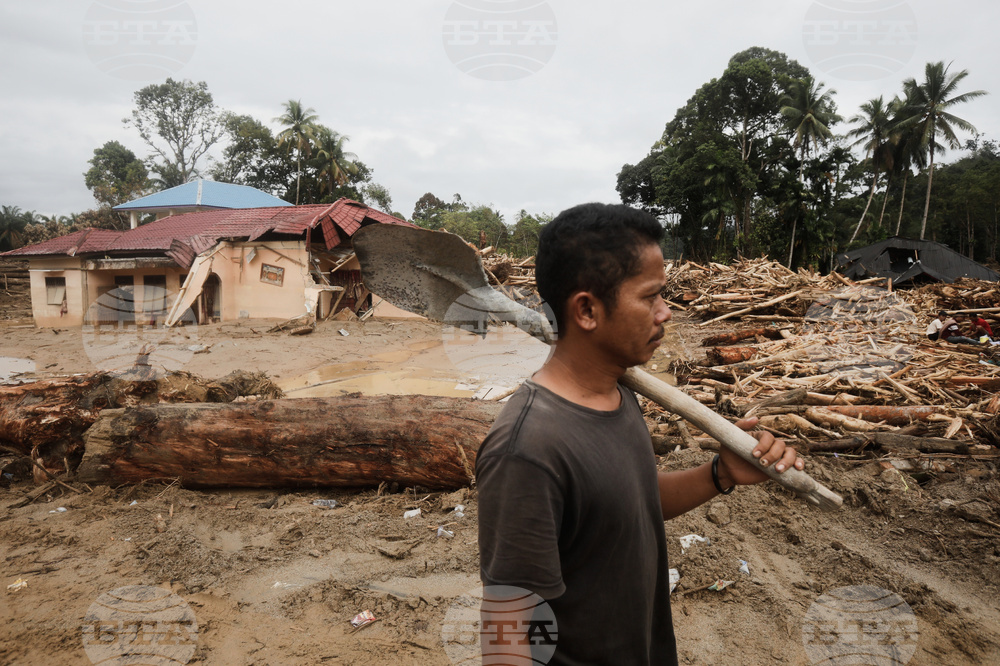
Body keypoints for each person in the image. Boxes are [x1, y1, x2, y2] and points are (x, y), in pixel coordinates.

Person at [476, 203, 803, 665]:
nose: (665, 314)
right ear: (587, 310)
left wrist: (719, 474)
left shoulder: (618, 394)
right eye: (651, 297)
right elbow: (508, 633)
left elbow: (631, 504)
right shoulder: (528, 448)